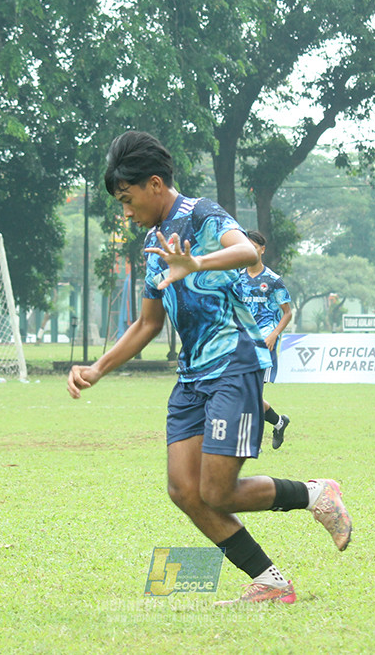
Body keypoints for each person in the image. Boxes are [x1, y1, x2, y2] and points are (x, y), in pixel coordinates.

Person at [67, 131, 352, 605]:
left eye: (127, 198)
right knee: (184, 489)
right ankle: (270, 581)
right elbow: (147, 323)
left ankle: (315, 493)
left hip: (234, 363)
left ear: (154, 184)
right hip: (192, 377)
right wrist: (97, 368)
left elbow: (246, 252)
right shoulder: (153, 244)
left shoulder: (201, 214)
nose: (126, 210)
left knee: (217, 491)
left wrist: (194, 261)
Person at [237, 230, 293, 449]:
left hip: (264, 344)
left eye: (254, 246)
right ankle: (279, 422)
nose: (250, 250)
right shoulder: (238, 278)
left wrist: (273, 334)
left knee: (251, 394)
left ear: (262, 250)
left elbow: (287, 312)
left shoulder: (273, 280)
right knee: (244, 393)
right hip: (242, 342)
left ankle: (254, 441)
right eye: (246, 246)